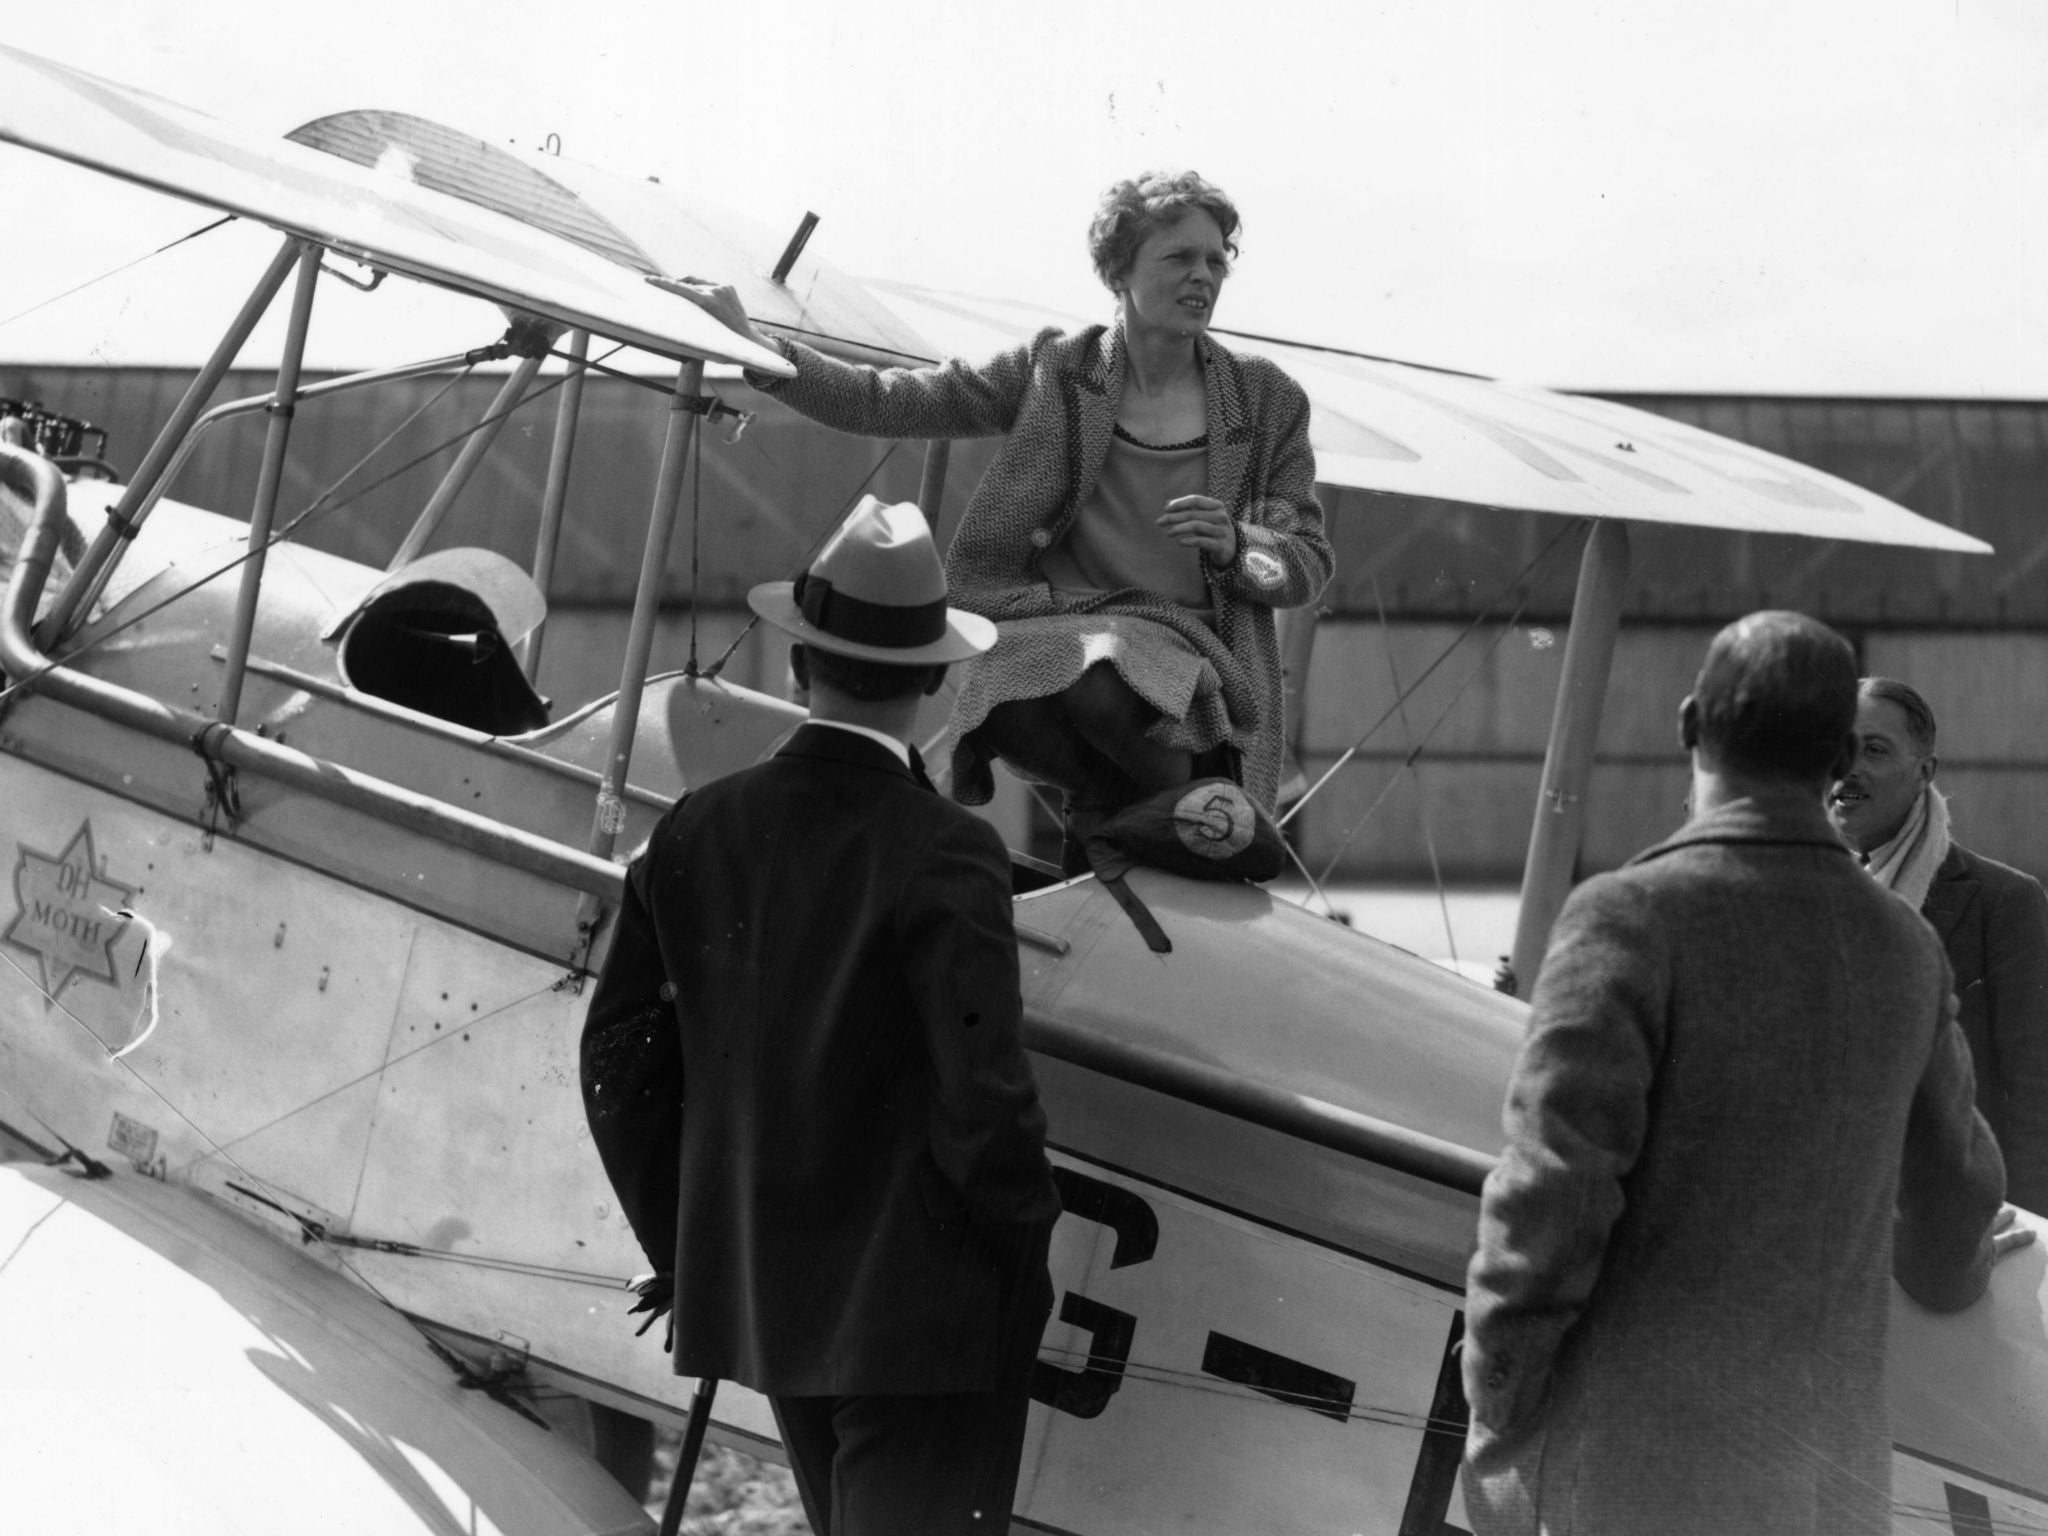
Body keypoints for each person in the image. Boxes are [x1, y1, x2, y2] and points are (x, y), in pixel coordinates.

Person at [1461, 611, 2030, 1536]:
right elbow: (1960, 1196)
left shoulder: (1626, 917)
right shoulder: (1907, 949)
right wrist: (1958, 1268)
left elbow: (1551, 1199)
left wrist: (1499, 1403)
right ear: (1839, 754)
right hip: (1828, 1484)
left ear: (1692, 724)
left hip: (1628, 1473)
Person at [579, 495, 1061, 1536]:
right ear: (937, 681)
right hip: (927, 1319)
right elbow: (983, 1099)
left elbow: (619, 1072)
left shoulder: (696, 831)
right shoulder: (947, 850)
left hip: (767, 1299)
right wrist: (1020, 1256)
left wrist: (691, 1248)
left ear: (799, 667)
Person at [664, 170, 1332, 868]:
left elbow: (1304, 557)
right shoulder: (1056, 369)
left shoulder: (1266, 401)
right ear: (1120, 269)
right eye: (1179, 258)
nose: (1204, 275)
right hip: (1056, 634)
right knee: (1010, 698)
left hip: (1190, 665)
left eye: (1217, 260)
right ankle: (1183, 832)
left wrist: (1237, 548)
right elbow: (900, 402)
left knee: (1112, 697)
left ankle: (1178, 827)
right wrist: (764, 356)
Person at [1829, 675, 2048, 1213]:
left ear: (1924, 771)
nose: (1847, 769)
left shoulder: (2003, 901)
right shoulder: (1796, 896)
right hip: (1828, 1221)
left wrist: (2026, 1230)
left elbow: (2034, 1095)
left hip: (1955, 1228)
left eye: (1874, 749)